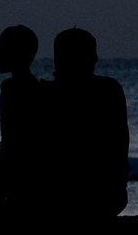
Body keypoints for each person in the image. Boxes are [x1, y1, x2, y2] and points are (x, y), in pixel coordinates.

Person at [51, 27, 129, 217]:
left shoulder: (48, 94)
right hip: (105, 195)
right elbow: (121, 144)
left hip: (69, 196)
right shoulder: (110, 89)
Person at [0, 25, 44, 223]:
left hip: (14, 166)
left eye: (1, 49)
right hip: (12, 164)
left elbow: (16, 139)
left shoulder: (17, 88)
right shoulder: (21, 87)